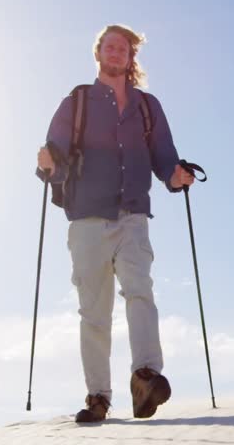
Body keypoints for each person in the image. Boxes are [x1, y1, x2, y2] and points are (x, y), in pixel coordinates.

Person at [37, 24, 195, 423]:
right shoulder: (77, 102)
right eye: (110, 46)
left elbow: (164, 155)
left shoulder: (147, 106)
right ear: (98, 53)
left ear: (130, 57)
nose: (116, 52)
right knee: (94, 311)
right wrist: (49, 164)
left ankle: (146, 377)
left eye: (123, 48)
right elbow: (56, 154)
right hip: (87, 217)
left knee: (140, 291)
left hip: (133, 215)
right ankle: (98, 397)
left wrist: (176, 175)